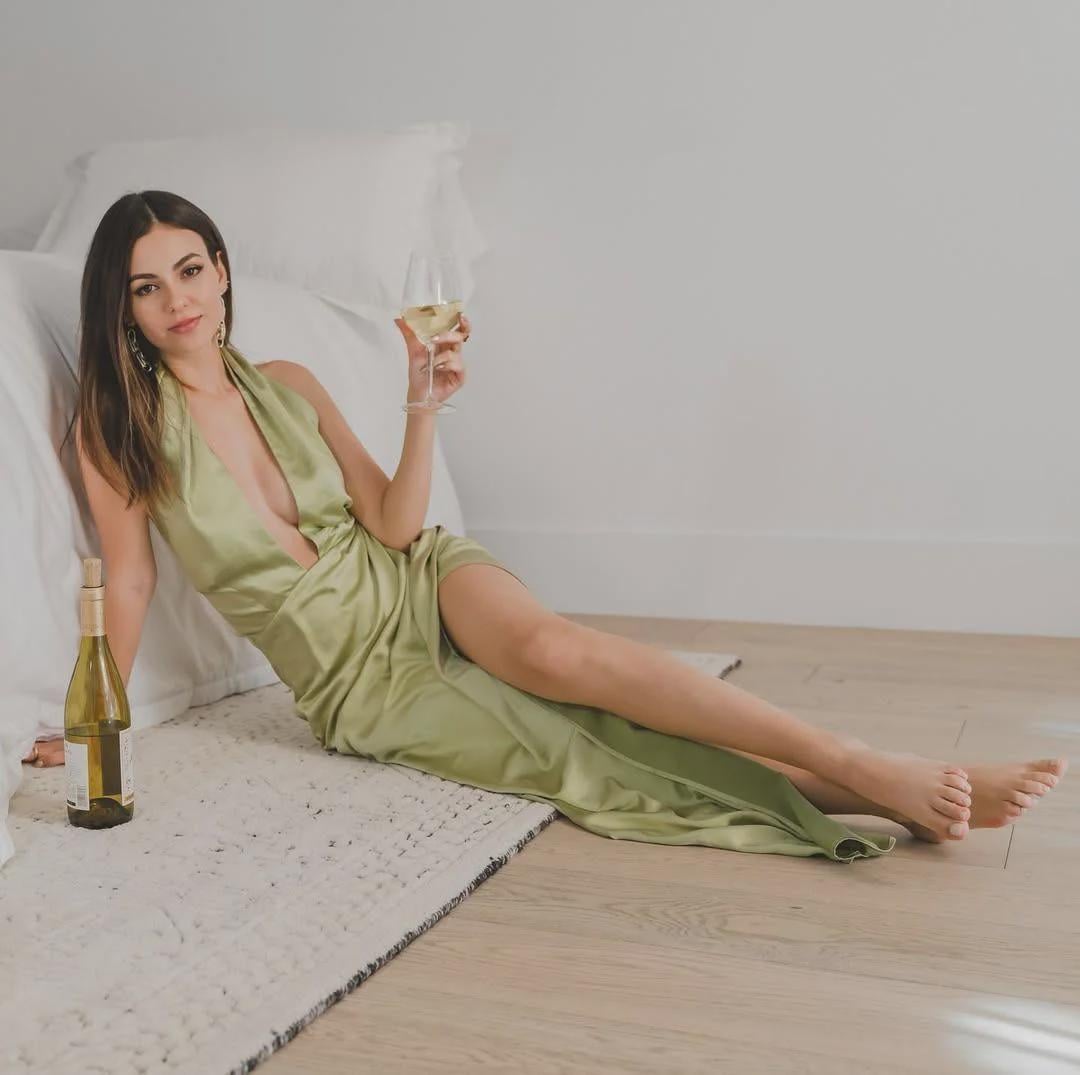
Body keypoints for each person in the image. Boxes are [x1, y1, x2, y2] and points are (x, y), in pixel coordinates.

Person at [25, 189, 1067, 861]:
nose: (178, 299)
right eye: (146, 287)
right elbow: (130, 581)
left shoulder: (289, 381)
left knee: (561, 653)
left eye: (191, 269)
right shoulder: (120, 432)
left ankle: (864, 760)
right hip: (354, 677)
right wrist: (91, 721)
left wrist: (422, 402)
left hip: (418, 577)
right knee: (577, 745)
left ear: (221, 268)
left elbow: (394, 525)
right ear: (124, 309)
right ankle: (882, 791)